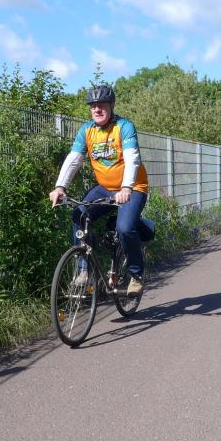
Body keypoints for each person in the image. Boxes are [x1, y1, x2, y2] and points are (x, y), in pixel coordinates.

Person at [48, 84, 148, 296]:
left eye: (101, 104)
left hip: (133, 188)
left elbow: (132, 159)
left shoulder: (124, 126)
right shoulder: (87, 131)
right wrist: (60, 187)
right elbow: (74, 159)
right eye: (93, 105)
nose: (97, 109)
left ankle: (136, 274)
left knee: (124, 228)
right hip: (105, 189)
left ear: (111, 105)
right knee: (79, 214)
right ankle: (83, 271)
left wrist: (126, 187)